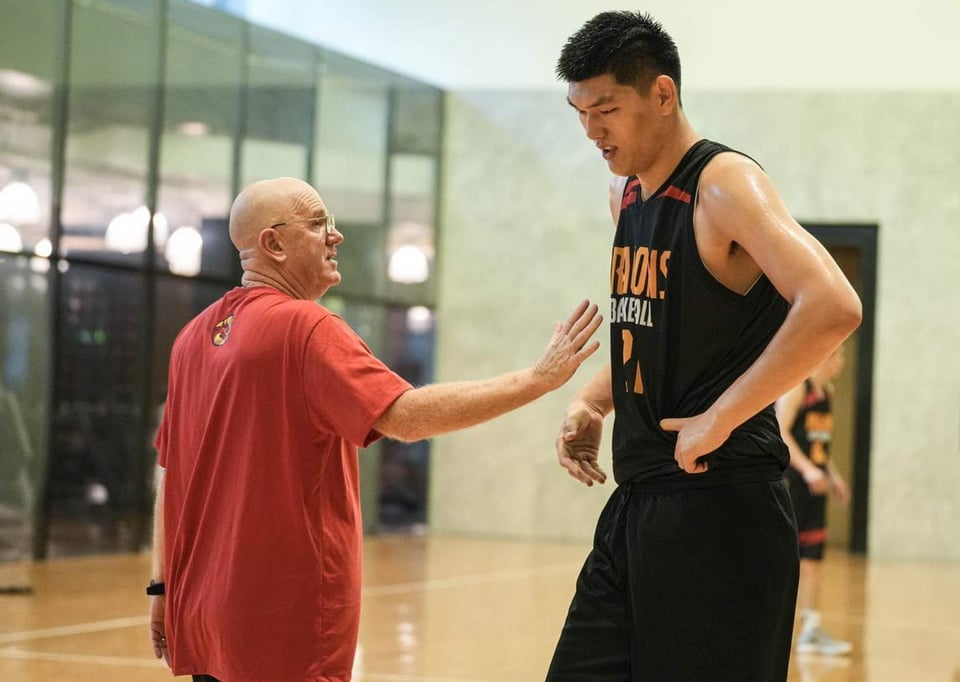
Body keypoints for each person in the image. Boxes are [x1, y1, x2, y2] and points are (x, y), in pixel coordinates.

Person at [148, 177, 602, 682]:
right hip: (281, 627)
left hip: (202, 616)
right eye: (318, 223)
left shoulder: (190, 340)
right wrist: (537, 380)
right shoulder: (307, 329)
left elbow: (169, 473)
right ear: (272, 244)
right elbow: (406, 417)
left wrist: (161, 587)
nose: (336, 236)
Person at [547, 11, 862, 681]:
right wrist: (591, 402)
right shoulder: (625, 196)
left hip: (724, 509)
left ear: (663, 94)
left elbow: (833, 305)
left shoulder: (723, 185)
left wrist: (721, 417)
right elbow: (655, 332)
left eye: (606, 109)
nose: (591, 130)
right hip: (639, 504)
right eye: (579, 112)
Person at [777, 346, 853, 656]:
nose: (842, 362)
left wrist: (831, 474)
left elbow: (818, 446)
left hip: (815, 486)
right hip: (794, 484)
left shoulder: (826, 394)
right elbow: (780, 434)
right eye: (839, 355)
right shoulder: (798, 388)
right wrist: (808, 471)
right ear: (825, 356)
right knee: (789, 560)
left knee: (813, 559)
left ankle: (811, 628)